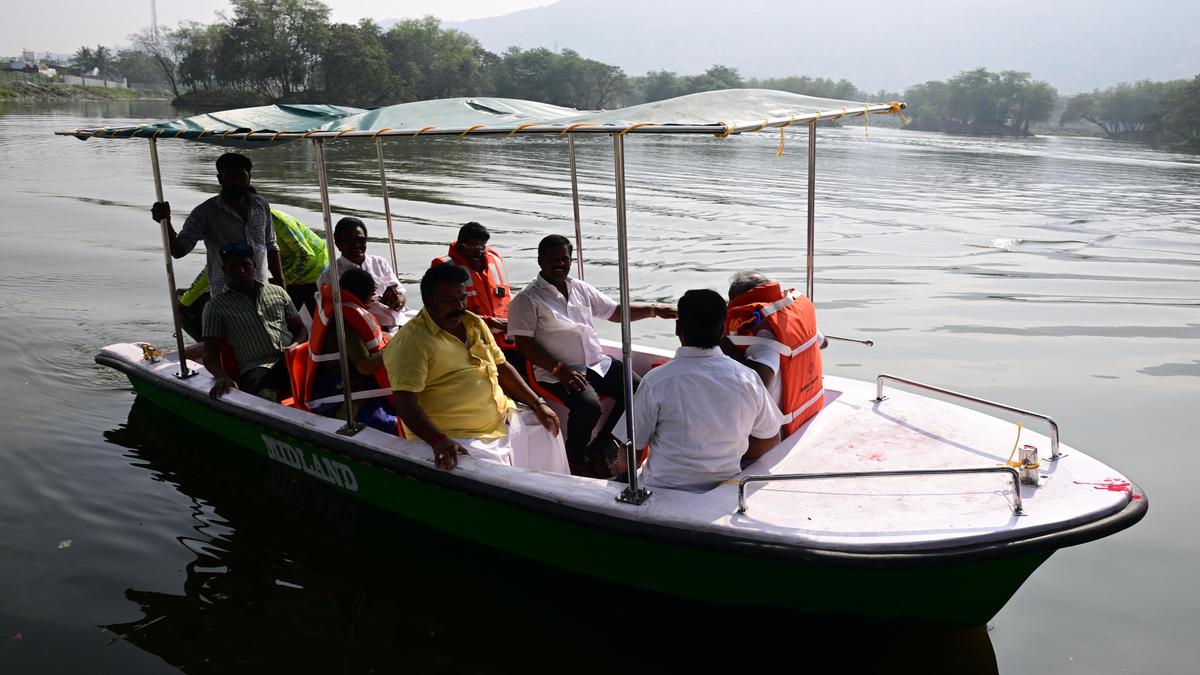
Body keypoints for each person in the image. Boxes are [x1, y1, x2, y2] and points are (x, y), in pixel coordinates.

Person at [507, 234, 677, 476]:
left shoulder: (580, 288)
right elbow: (525, 345)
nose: (560, 264)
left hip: (597, 363)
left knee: (638, 389)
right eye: (553, 259)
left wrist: (654, 310)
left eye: (565, 259)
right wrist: (560, 370)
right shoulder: (527, 299)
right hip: (556, 370)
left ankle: (599, 447)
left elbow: (616, 312)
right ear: (540, 260)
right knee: (589, 408)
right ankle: (573, 459)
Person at [384, 264, 562, 471]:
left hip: (501, 417)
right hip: (458, 435)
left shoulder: (474, 323)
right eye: (449, 300)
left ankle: (556, 496)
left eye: (462, 298)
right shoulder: (412, 342)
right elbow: (404, 402)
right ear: (429, 301)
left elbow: (502, 367)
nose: (459, 306)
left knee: (548, 428)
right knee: (496, 476)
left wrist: (538, 404)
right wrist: (437, 440)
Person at [613, 289, 782, 491]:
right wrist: (719, 457)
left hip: (663, 490)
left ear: (678, 328)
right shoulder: (748, 378)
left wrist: (618, 466)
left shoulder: (655, 382)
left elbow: (630, 451)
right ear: (723, 331)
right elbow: (771, 438)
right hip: (721, 490)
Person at [177, 208, 329, 340]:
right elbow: (215, 267)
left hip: (316, 272)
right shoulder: (234, 230)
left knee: (317, 326)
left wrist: (276, 285)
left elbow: (306, 256)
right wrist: (186, 301)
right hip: (287, 275)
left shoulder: (277, 220)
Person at [151, 152, 285, 297]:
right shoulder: (205, 213)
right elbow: (178, 251)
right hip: (225, 294)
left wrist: (281, 285)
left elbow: (270, 246)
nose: (236, 181)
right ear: (220, 179)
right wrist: (166, 222)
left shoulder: (261, 205)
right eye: (230, 175)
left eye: (242, 175)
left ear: (249, 178)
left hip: (262, 289)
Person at [722, 270, 827, 437]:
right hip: (805, 411)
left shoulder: (764, 337)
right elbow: (823, 342)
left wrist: (722, 343)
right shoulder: (789, 321)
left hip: (776, 432)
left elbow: (759, 381)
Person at [201, 243, 307, 402]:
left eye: (246, 264)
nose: (241, 270)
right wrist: (221, 377)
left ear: (255, 266)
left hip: (292, 359)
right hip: (256, 369)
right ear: (224, 271)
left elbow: (301, 329)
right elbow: (209, 353)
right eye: (233, 266)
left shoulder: (277, 291)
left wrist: (295, 346)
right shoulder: (215, 306)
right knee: (264, 402)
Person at [298, 268, 397, 433]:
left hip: (353, 381)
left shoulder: (343, 308)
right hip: (338, 394)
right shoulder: (344, 319)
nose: (373, 299)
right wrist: (395, 346)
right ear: (361, 293)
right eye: (372, 294)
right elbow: (365, 366)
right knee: (394, 425)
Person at [430, 221, 520, 370]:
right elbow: (444, 310)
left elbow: (507, 298)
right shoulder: (445, 267)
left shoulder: (494, 260)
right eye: (472, 246)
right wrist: (491, 322)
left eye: (482, 246)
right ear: (460, 245)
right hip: (470, 341)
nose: (478, 251)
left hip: (506, 339)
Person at [318, 217, 406, 331]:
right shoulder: (329, 276)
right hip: (364, 330)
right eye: (349, 241)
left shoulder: (379, 262)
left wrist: (397, 301)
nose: (356, 245)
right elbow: (330, 314)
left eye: (361, 240)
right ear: (338, 244)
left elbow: (401, 293)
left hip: (399, 322)